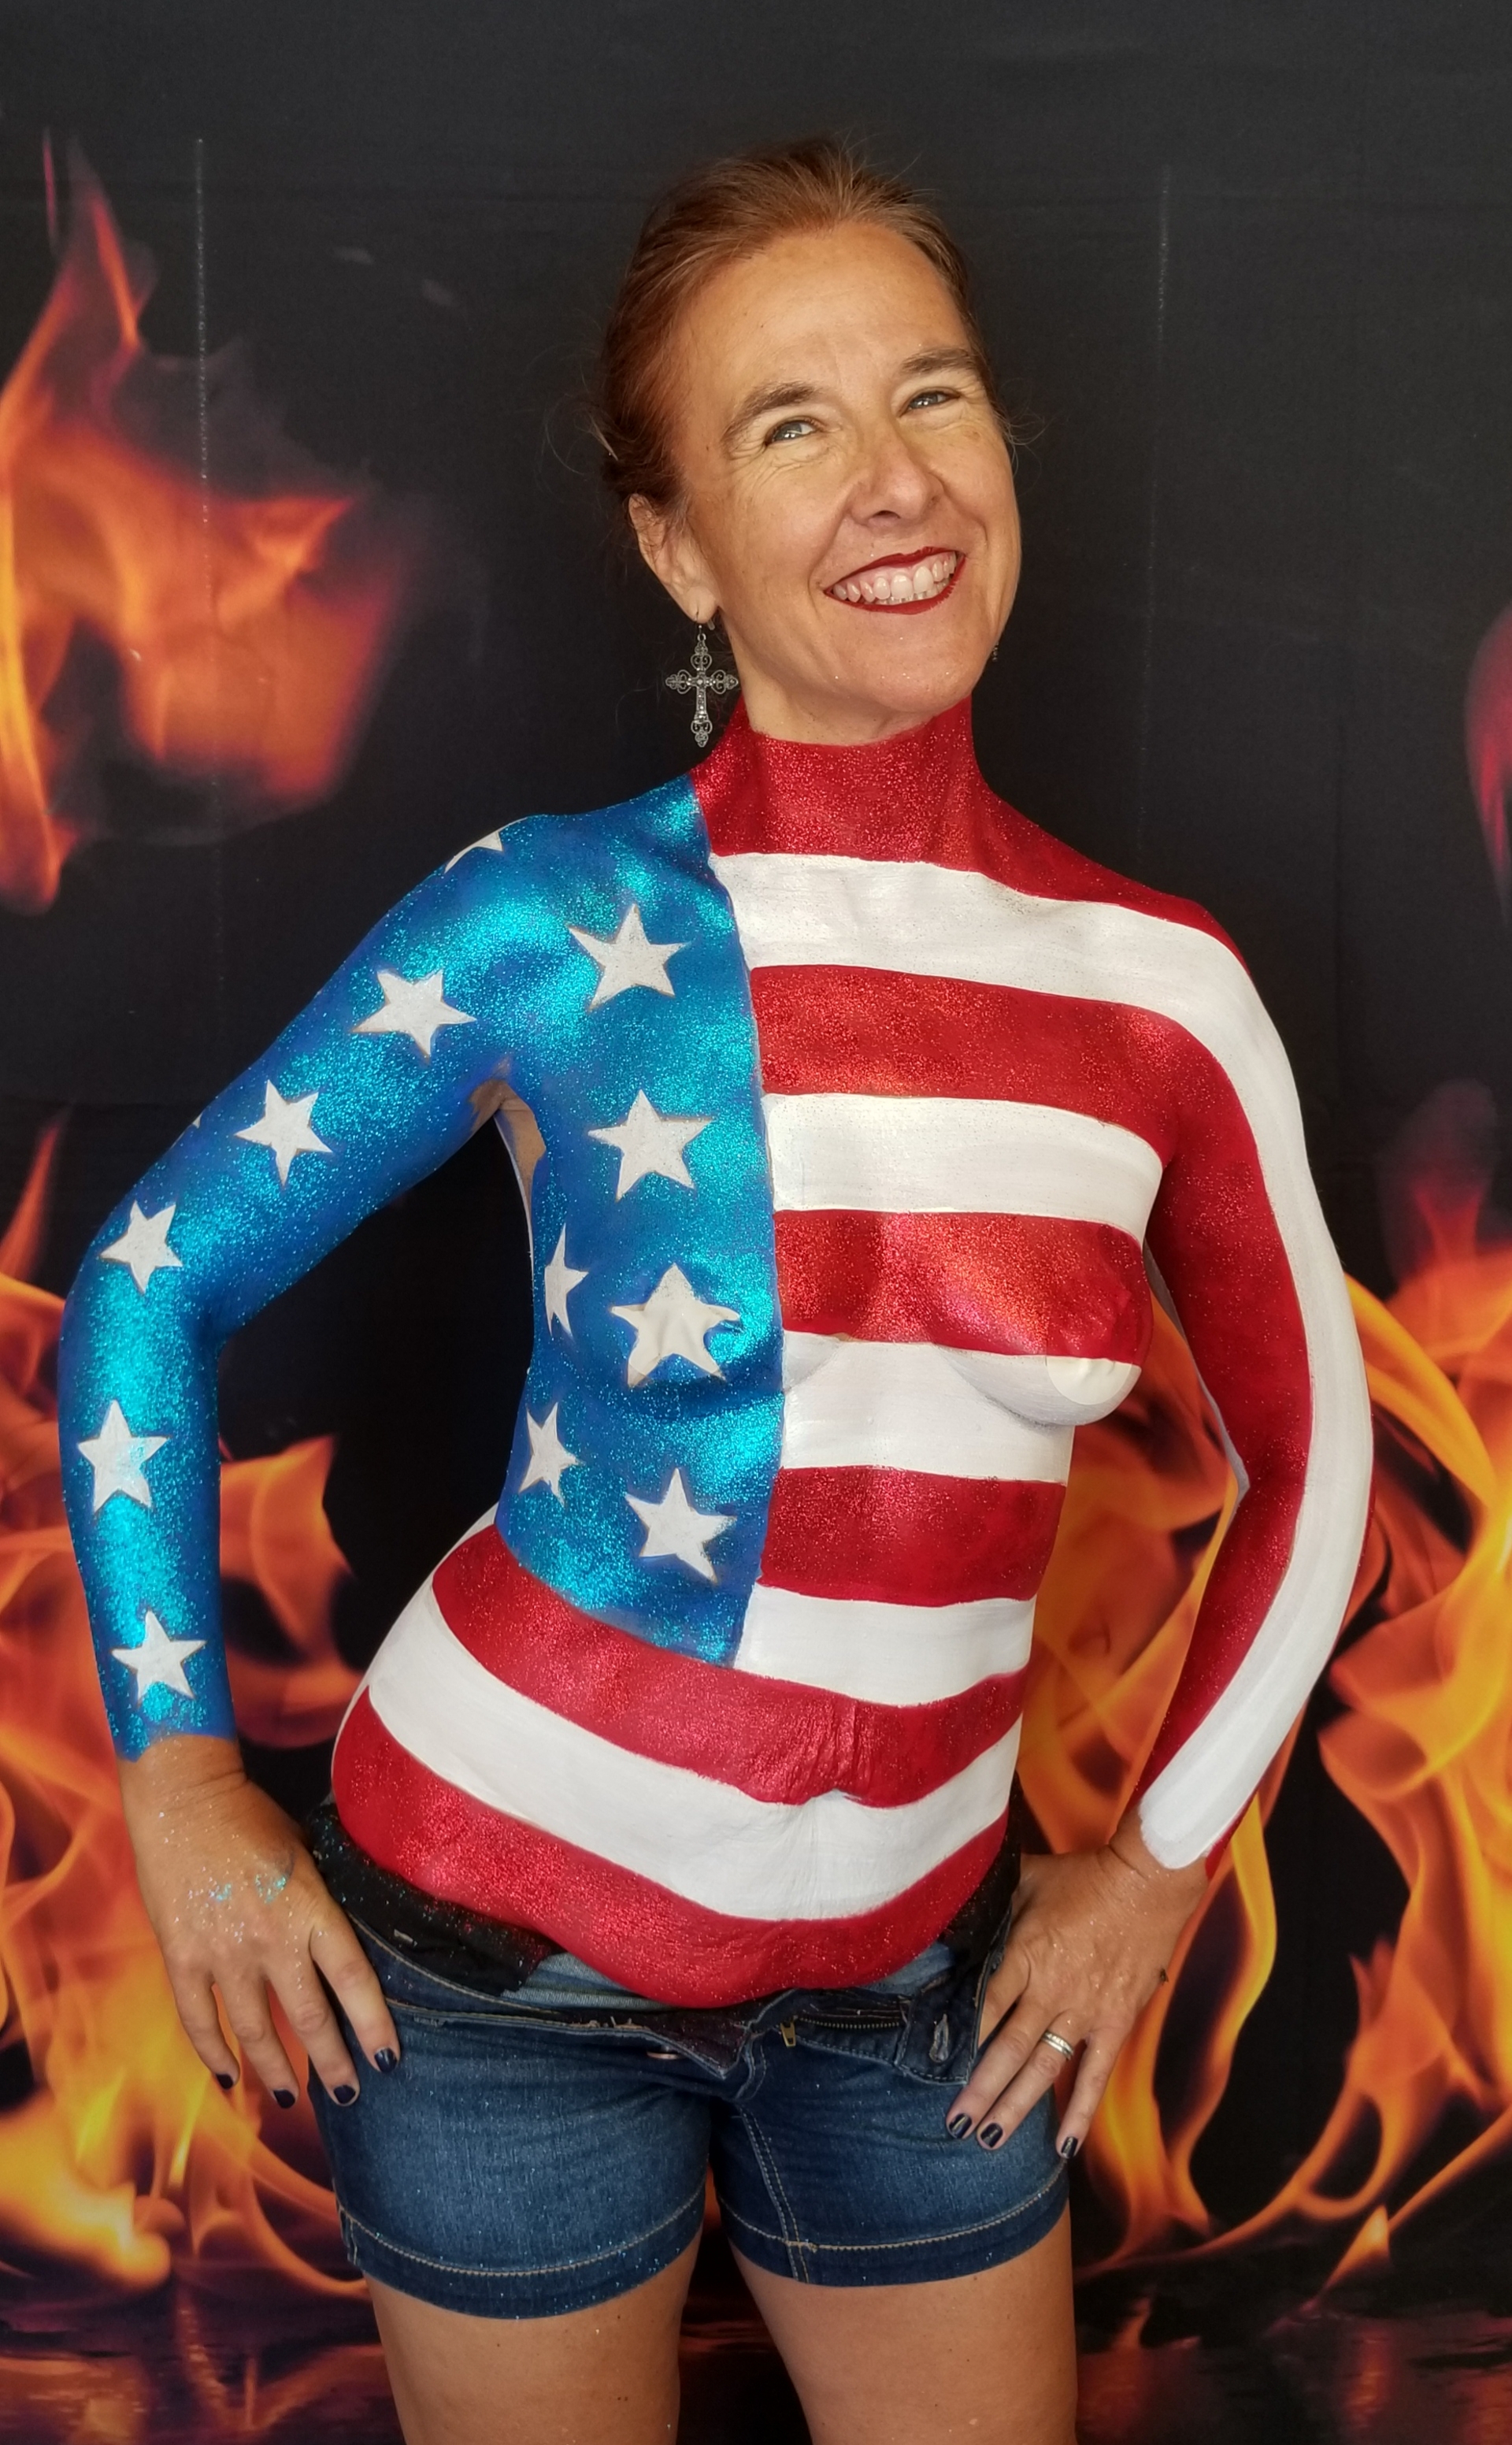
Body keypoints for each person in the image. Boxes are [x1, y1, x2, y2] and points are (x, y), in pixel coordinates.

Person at [58, 139, 1371, 2445]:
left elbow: (1323, 1464)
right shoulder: (547, 920)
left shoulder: (1170, 993)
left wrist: (1155, 1875)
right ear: (677, 544)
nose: (896, 480)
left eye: (933, 396)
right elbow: (152, 1277)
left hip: (923, 1988)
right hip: (484, 1975)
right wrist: (175, 1775)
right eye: (792, 425)